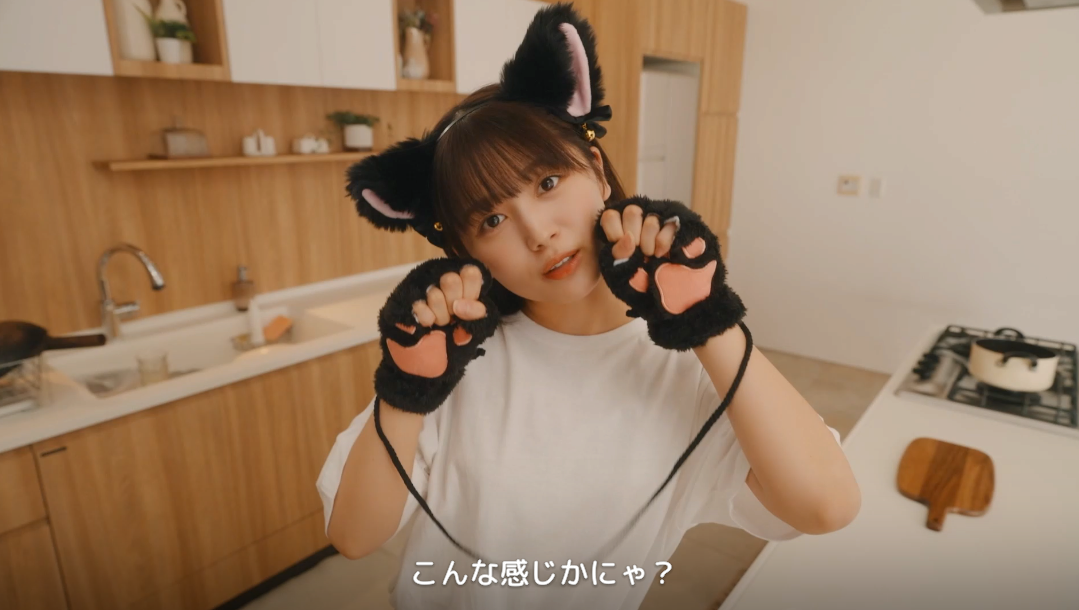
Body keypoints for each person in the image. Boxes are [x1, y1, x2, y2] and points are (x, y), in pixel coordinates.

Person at [317, 4, 860, 609]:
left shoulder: (684, 370)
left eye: (547, 183)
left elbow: (827, 506)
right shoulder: (452, 356)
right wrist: (406, 392)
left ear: (596, 169)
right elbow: (354, 537)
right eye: (492, 219)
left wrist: (708, 321)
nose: (538, 233)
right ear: (465, 251)